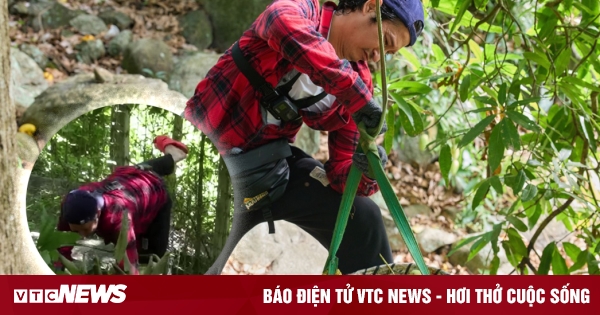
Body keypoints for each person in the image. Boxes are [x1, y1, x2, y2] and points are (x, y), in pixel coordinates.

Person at [184, 0, 424, 275]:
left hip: (267, 173)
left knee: (364, 219)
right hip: (204, 159)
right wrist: (352, 93)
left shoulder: (360, 80)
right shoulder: (301, 12)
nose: (378, 57)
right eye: (384, 41)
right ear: (370, 7)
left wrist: (365, 171)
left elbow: (341, 171)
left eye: (389, 53)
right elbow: (280, 22)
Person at [54, 135, 189, 275]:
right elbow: (61, 245)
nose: (81, 236)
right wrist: (57, 270)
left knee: (151, 259)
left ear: (97, 215)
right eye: (76, 231)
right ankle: (171, 152)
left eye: (84, 230)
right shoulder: (71, 204)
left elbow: (129, 266)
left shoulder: (120, 219)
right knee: (175, 157)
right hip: (133, 173)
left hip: (154, 193)